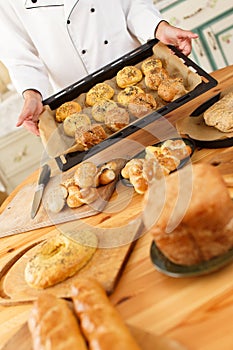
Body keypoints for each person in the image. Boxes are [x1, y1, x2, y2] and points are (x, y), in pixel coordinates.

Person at [0, 1, 198, 136]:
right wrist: (32, 94)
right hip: (77, 106)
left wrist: (158, 27)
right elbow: (20, 56)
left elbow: (132, 4)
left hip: (143, 83)